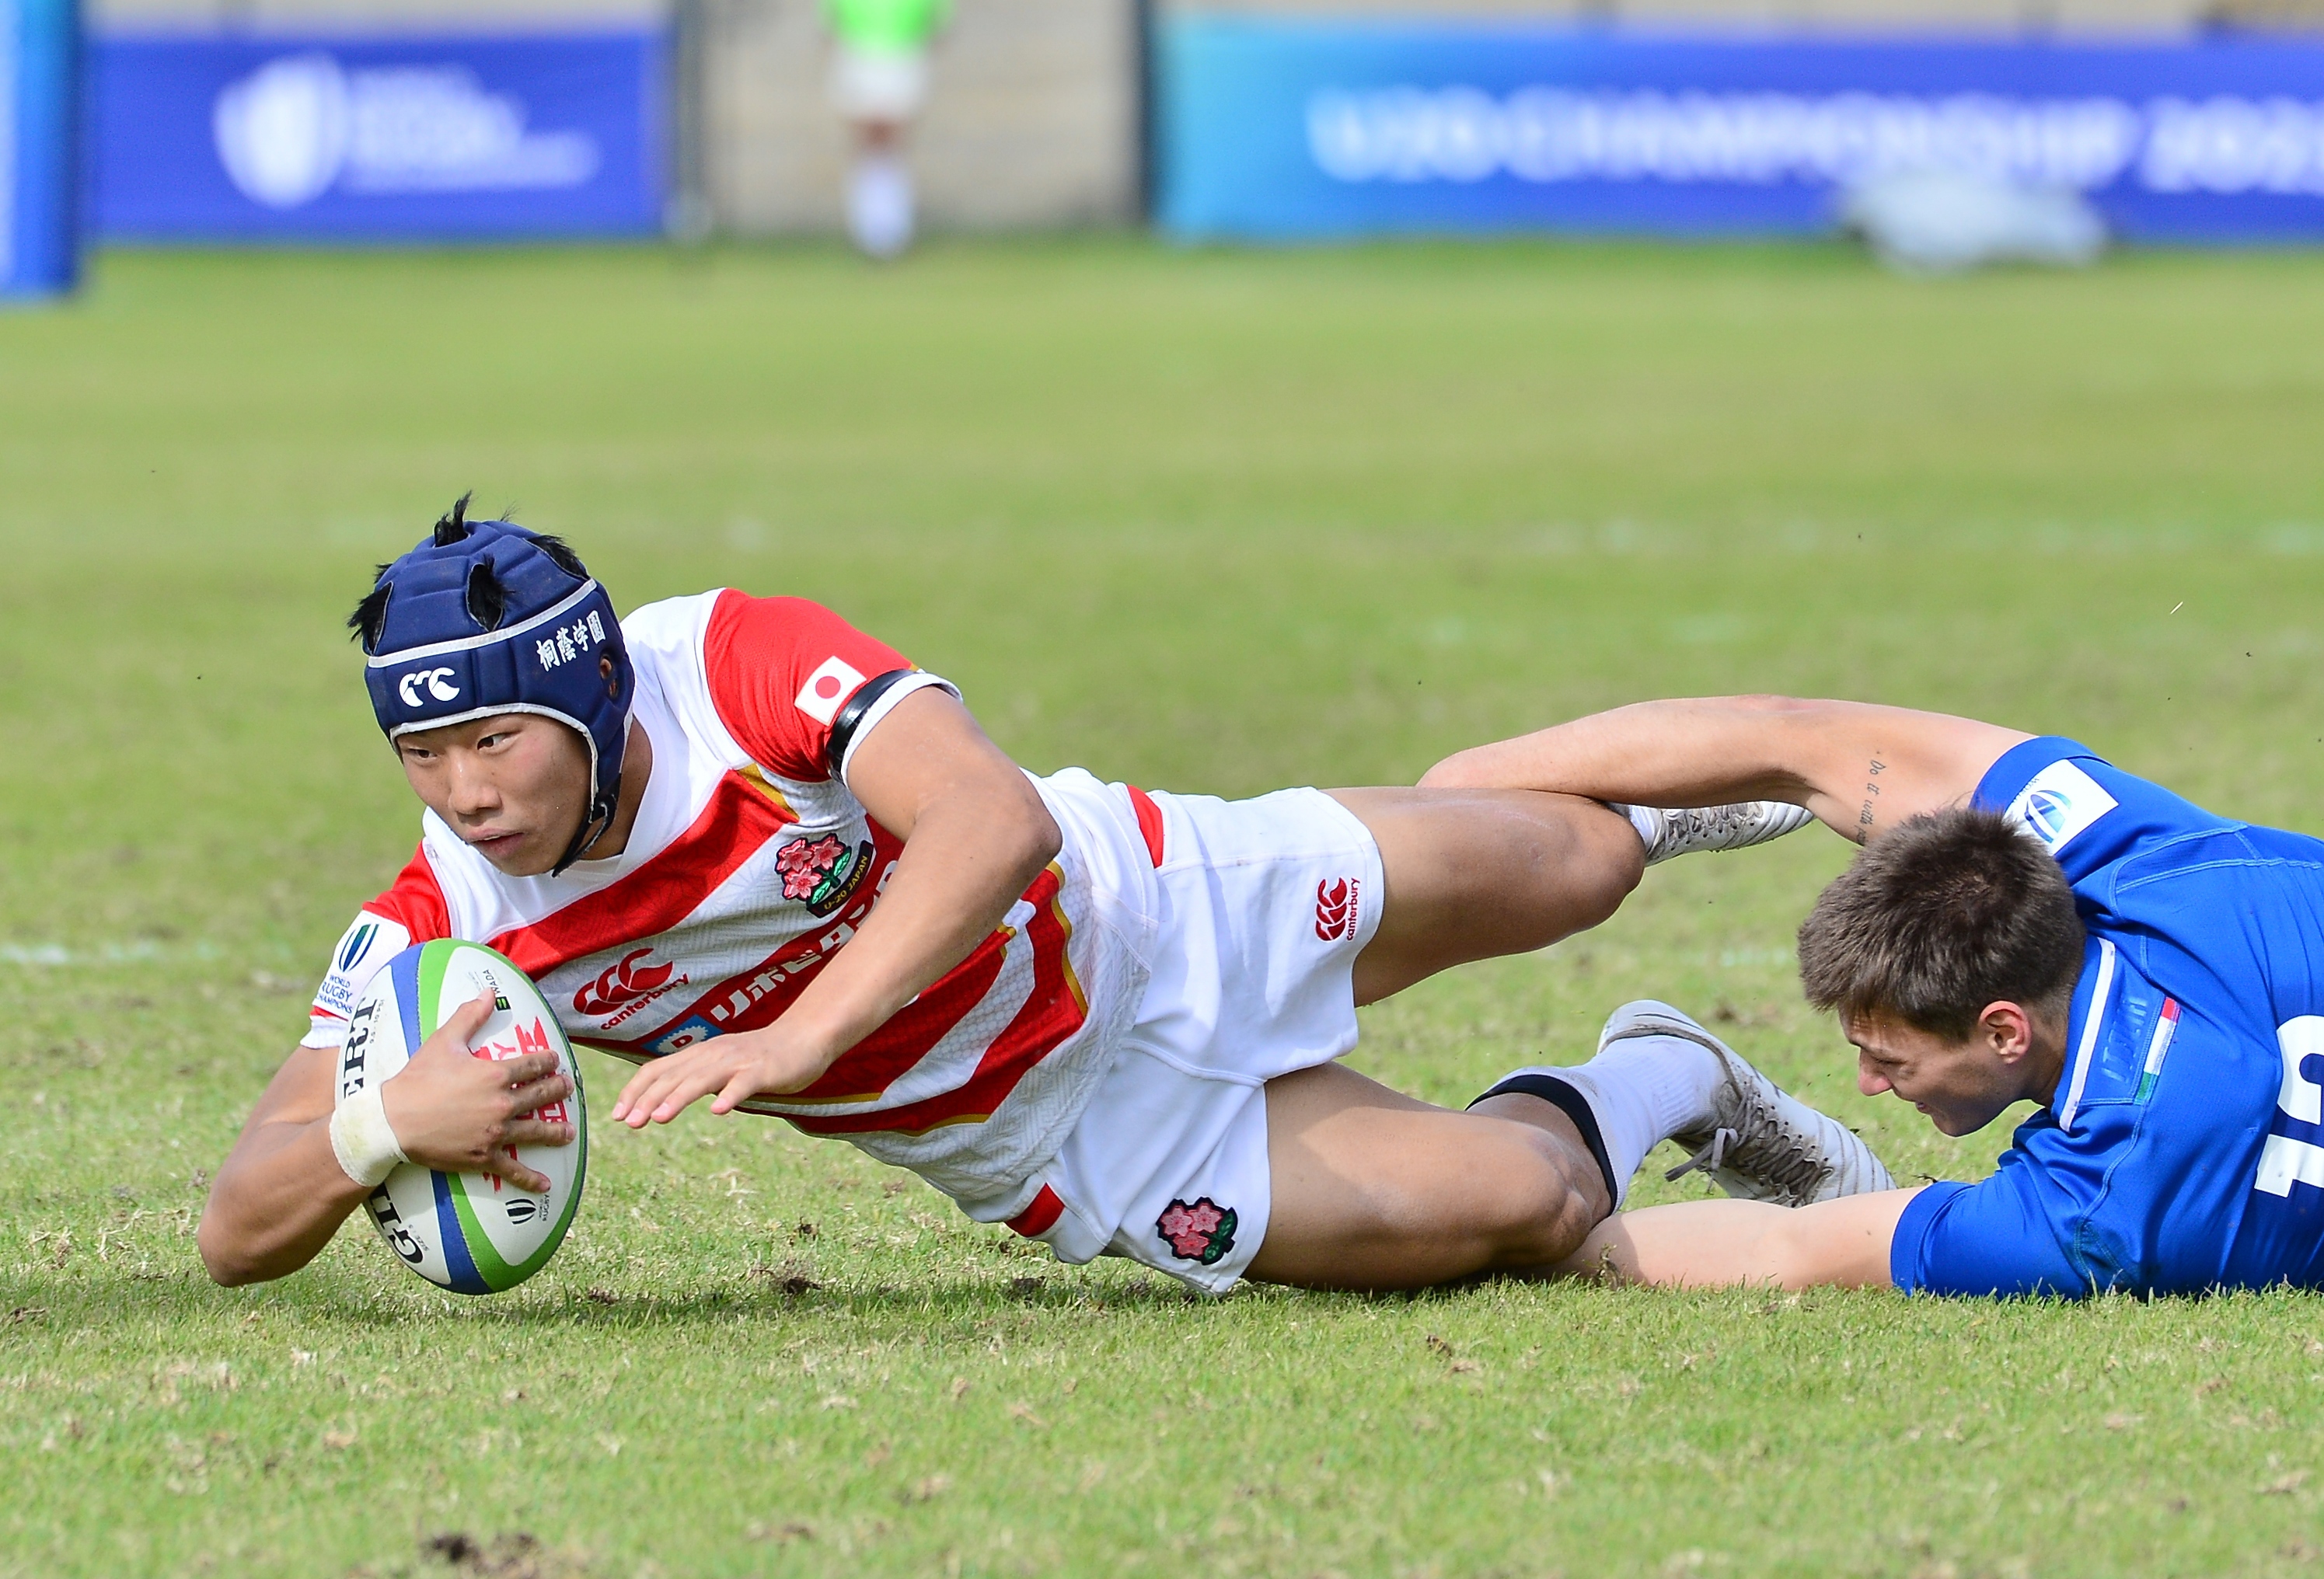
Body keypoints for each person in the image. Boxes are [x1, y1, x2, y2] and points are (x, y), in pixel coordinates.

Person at [197, 504, 1894, 1295]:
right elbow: (232, 1228)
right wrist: (375, 1126)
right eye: (421, 755)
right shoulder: (447, 918)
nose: (466, 791)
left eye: (494, 739)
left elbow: (989, 822)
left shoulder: (724, 658)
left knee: (1577, 861)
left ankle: (1612, 789)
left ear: (585, 701)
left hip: (1141, 900)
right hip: (1055, 1132)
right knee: (1520, 1207)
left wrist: (801, 1032)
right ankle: (1677, 1070)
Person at [1422, 695, 2324, 1298]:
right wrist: (1447, 797)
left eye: (1888, 1057)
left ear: (2002, 1029)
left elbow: (1788, 1249)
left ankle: (1654, 1081)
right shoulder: (2162, 865)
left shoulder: (2097, 1209)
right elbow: (1795, 735)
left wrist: (1498, 1243)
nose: (1865, 1084)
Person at [820, 0, 950, 259]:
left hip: (901, 55)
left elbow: (937, 20)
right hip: (860, 54)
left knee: (890, 146)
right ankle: (870, 230)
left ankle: (891, 232)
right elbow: (832, 19)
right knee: (867, 146)